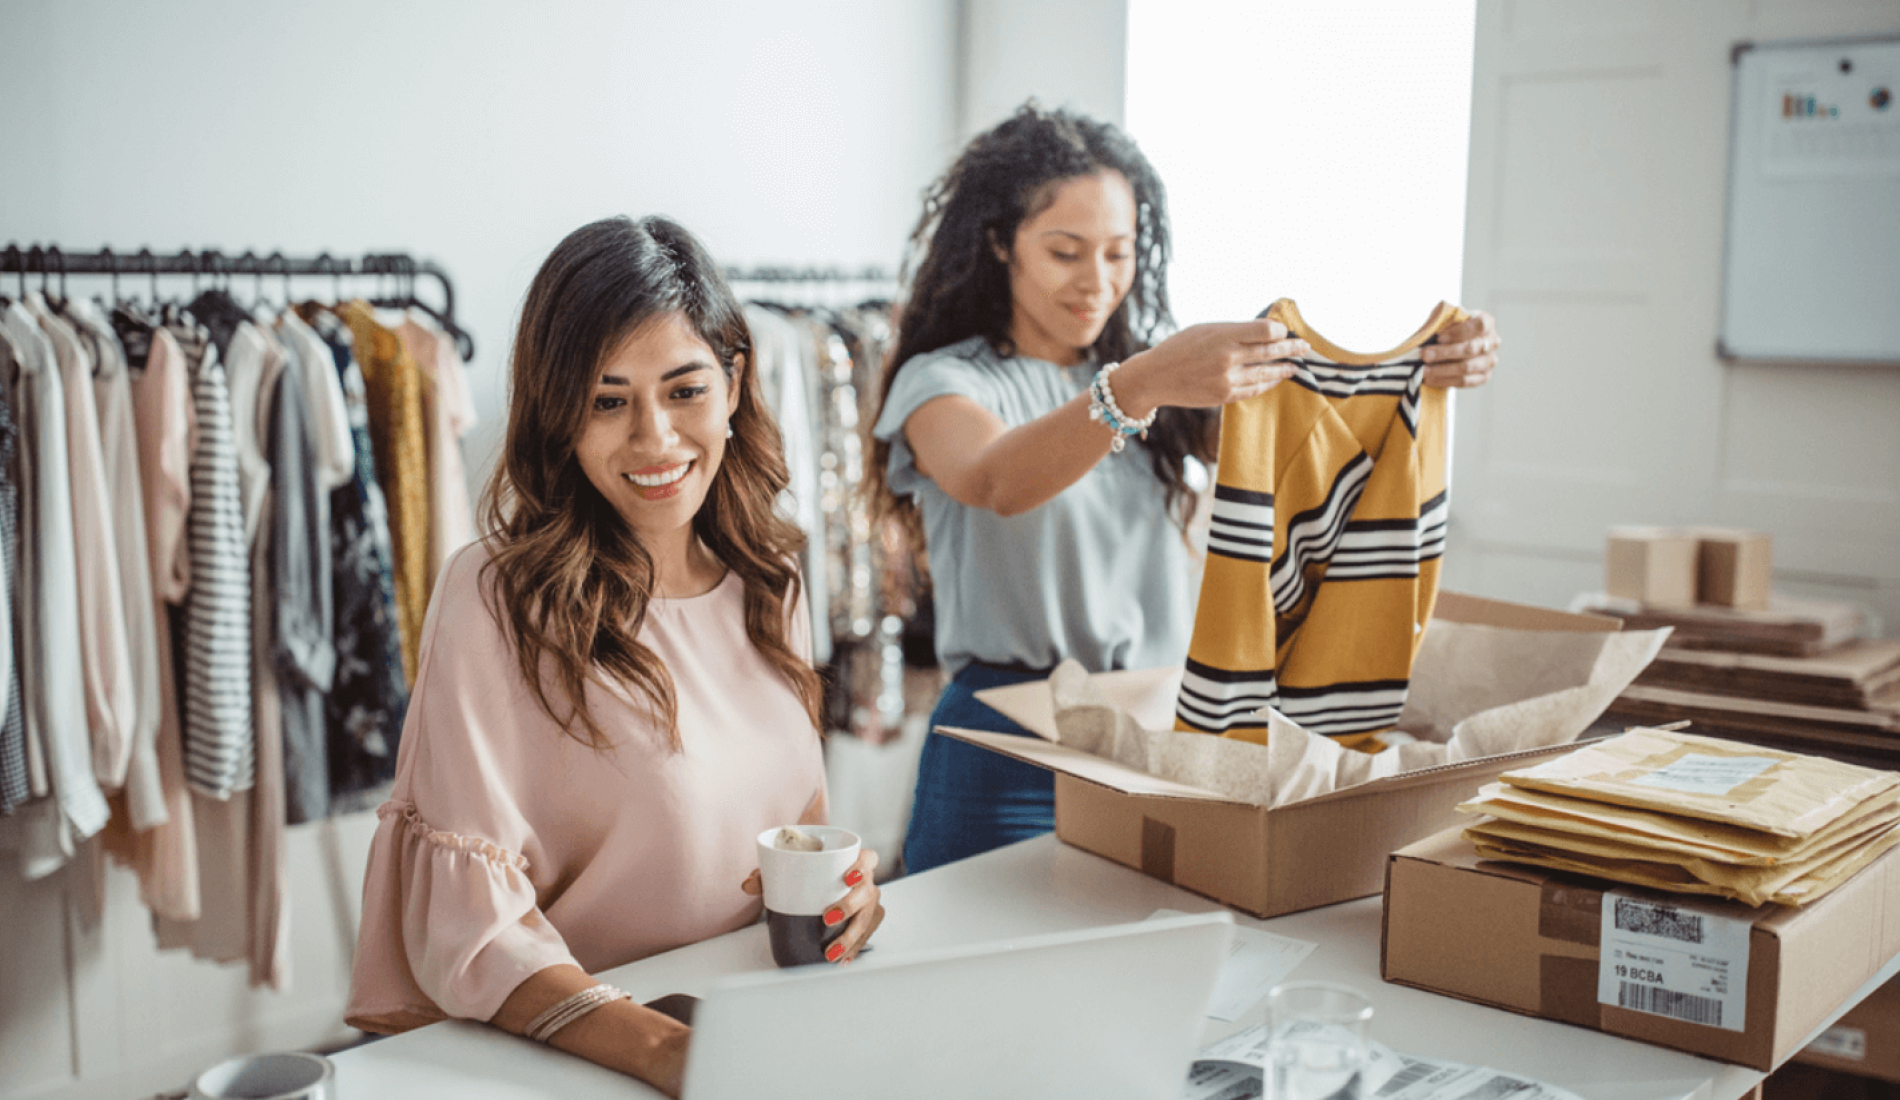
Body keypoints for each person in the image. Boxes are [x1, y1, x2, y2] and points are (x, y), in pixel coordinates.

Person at [868, 103, 1501, 875]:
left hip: (1155, 736)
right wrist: (1139, 385)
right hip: (1006, 746)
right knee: (970, 975)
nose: (1096, 282)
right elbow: (996, 479)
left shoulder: (1159, 385)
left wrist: (1428, 365)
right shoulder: (946, 381)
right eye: (1065, 252)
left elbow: (1313, 438)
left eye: (1118, 252)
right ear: (1001, 244)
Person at [345, 216, 883, 1097]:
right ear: (560, 414)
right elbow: (472, 929)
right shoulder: (495, 599)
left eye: (684, 391)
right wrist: (669, 1054)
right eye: (607, 400)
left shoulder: (771, 576)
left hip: (763, 1030)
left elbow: (793, 837)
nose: (655, 441)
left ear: (735, 383)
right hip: (584, 1060)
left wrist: (849, 897)